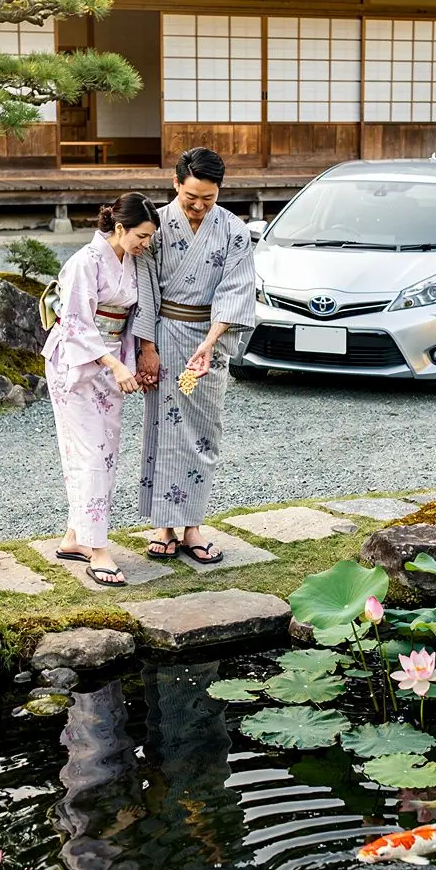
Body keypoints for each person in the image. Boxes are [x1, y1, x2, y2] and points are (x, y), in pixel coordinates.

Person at [133, 147, 256, 564]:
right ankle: (163, 526)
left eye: (209, 198)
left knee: (204, 432)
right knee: (163, 430)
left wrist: (210, 341)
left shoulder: (235, 232)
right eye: (191, 198)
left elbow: (236, 291)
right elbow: (145, 289)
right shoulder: (158, 228)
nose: (200, 206)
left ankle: (192, 527)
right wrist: (146, 347)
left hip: (210, 339)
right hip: (165, 335)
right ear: (175, 185)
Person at [43, 194, 160, 586]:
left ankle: (75, 536)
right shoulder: (84, 263)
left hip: (112, 361)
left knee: (105, 452)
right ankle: (98, 550)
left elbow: (128, 318)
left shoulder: (132, 261)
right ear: (121, 228)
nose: (146, 244)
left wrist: (131, 363)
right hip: (75, 366)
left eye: (150, 238)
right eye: (142, 236)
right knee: (89, 452)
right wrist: (114, 364)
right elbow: (74, 322)